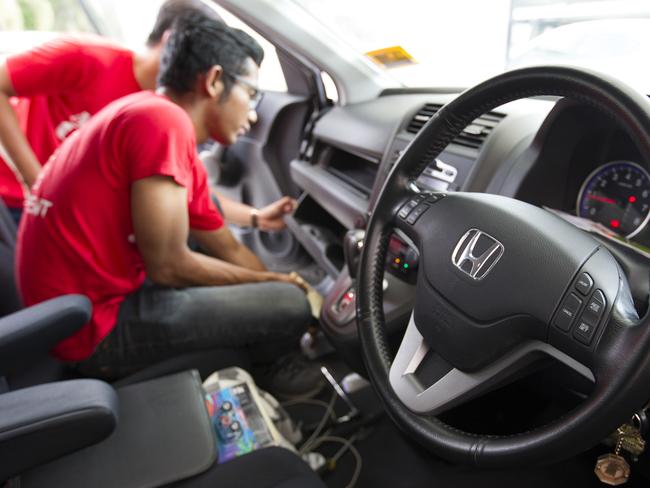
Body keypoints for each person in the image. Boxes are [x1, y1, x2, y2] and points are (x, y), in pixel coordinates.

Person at [16, 14, 322, 397]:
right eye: (251, 93)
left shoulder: (151, 113)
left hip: (77, 307)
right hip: (90, 327)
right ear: (213, 81)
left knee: (275, 291)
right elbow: (168, 265)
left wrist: (266, 260)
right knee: (289, 304)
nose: (255, 112)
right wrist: (281, 287)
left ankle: (265, 355)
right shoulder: (161, 123)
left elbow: (223, 244)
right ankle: (277, 379)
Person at [0, 0, 294, 231]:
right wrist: (35, 182)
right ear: (172, 40)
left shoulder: (166, 112)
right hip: (10, 196)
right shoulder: (86, 57)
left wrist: (255, 218)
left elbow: (184, 193)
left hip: (65, 210)